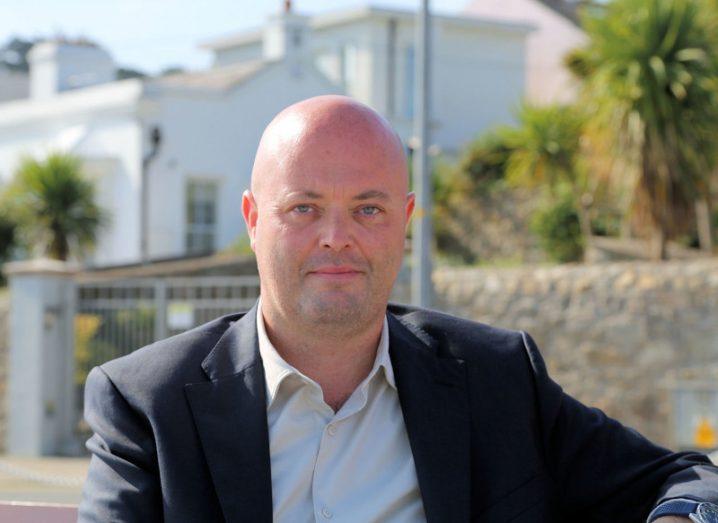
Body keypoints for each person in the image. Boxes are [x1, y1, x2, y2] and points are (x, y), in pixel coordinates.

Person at [79, 95, 718, 522]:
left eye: (369, 208)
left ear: (404, 222)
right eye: (303, 208)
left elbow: (689, 479)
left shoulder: (494, 377)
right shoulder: (148, 404)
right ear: (253, 220)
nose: (338, 236)